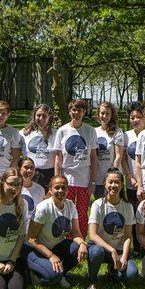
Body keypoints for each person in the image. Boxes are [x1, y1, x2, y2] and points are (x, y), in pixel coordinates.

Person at [27, 175, 88, 288]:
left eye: (63, 188)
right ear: (50, 190)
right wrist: (51, 256)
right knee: (53, 277)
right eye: (57, 187)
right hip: (36, 251)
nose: (60, 190)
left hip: (55, 247)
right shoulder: (43, 208)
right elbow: (31, 239)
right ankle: (36, 274)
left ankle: (60, 272)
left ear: (67, 190)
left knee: (77, 247)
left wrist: (82, 244)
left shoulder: (70, 205)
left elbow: (75, 232)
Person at [86, 168, 138, 289]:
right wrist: (111, 250)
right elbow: (92, 235)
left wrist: (124, 257)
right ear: (104, 183)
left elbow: (127, 237)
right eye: (110, 182)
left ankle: (113, 270)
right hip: (101, 248)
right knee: (96, 252)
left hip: (119, 251)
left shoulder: (128, 206)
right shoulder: (97, 204)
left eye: (117, 182)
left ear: (121, 185)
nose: (113, 185)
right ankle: (92, 281)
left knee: (132, 275)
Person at [53, 99, 98, 238]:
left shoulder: (90, 131)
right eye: (73, 110)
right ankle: (66, 238)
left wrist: (93, 182)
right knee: (66, 210)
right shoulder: (62, 131)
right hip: (67, 180)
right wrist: (57, 180)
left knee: (82, 211)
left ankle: (81, 239)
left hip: (84, 180)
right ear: (69, 111)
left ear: (84, 112)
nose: (76, 113)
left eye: (79, 110)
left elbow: (94, 158)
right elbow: (58, 158)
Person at [122, 101, 145, 255]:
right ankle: (136, 248)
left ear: (144, 118)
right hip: (131, 184)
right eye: (132, 117)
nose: (135, 120)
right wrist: (130, 176)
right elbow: (124, 159)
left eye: (138, 117)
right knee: (134, 215)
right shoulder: (126, 136)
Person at [20, 104, 56, 191]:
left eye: (44, 116)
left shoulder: (56, 134)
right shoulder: (24, 134)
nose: (41, 118)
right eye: (38, 115)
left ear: (49, 118)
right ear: (34, 116)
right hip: (29, 173)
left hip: (49, 174)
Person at [95, 101, 125, 199]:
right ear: (98, 114)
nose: (105, 116)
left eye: (107, 113)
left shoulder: (117, 132)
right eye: (102, 113)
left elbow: (118, 156)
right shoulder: (94, 132)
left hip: (113, 179)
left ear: (112, 115)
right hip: (98, 179)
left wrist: (111, 176)